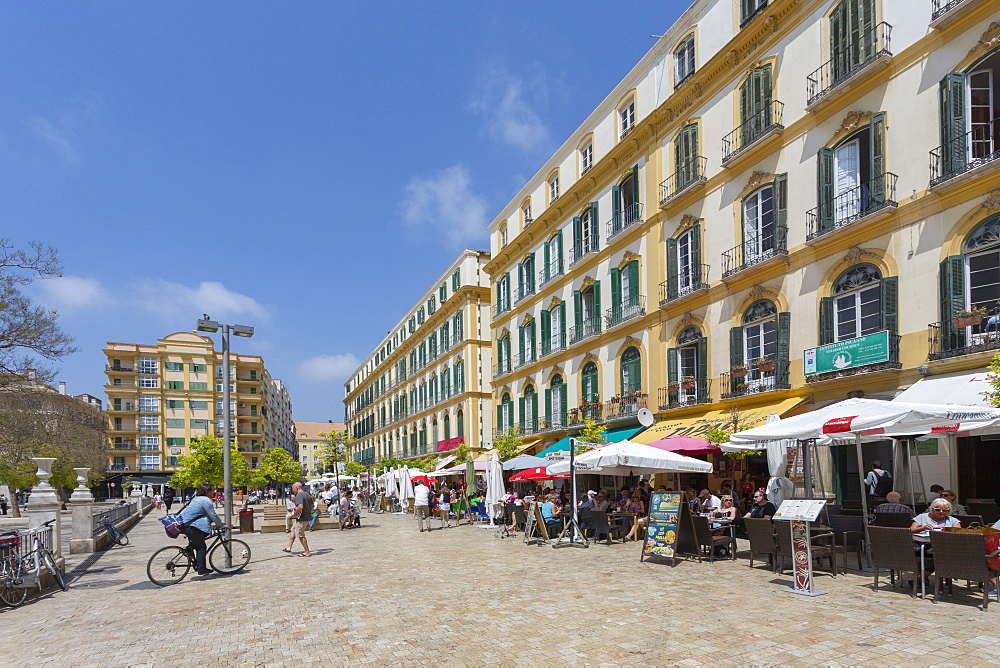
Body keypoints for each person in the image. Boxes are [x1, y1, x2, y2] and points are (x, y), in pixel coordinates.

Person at [179, 482, 228, 576]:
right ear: (207, 491)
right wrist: (221, 525)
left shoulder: (196, 499)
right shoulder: (206, 501)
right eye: (213, 490)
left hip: (185, 525)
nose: (214, 492)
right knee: (201, 548)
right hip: (193, 527)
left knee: (198, 543)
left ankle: (190, 550)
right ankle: (201, 570)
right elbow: (212, 515)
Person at [910, 498, 961, 583]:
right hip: (922, 544)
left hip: (943, 547)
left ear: (949, 511)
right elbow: (911, 530)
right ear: (932, 509)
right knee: (917, 552)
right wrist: (923, 527)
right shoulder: (922, 517)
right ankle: (922, 578)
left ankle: (921, 579)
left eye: (945, 510)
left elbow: (959, 533)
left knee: (939, 555)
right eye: (938, 509)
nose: (941, 512)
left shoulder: (952, 520)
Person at [283, 482, 313, 557]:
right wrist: (308, 512)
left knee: (301, 535)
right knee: (293, 530)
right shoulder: (307, 494)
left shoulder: (299, 495)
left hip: (302, 518)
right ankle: (289, 547)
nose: (293, 490)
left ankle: (307, 551)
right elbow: (312, 506)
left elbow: (300, 506)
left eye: (293, 488)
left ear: (297, 488)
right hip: (306, 517)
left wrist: (295, 514)